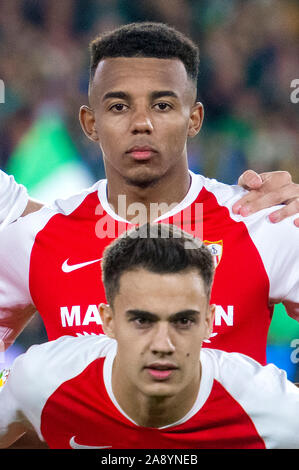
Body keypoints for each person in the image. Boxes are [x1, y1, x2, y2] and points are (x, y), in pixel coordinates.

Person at [0, 22, 298, 367]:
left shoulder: (262, 221)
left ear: (195, 119)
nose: (142, 123)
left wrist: (283, 411)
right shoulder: (35, 239)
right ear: (90, 124)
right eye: (118, 107)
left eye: (162, 106)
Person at [0, 223, 298, 449]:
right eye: (142, 320)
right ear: (108, 321)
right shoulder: (39, 380)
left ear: (209, 321)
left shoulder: (274, 410)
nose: (162, 345)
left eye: (183, 321)